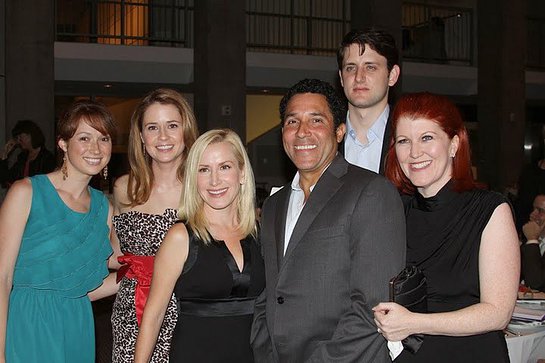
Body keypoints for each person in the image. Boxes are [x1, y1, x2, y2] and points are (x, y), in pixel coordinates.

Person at [251, 78, 406, 362]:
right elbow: (269, 294)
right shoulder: (273, 206)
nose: (302, 132)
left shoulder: (371, 192)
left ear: (339, 132)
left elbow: (372, 308)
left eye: (316, 120)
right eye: (292, 122)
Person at [373, 92, 520, 362]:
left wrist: (415, 323)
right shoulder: (395, 211)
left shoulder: (490, 209)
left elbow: (498, 313)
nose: (415, 153)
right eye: (404, 141)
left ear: (454, 144)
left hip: (471, 354)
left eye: (427, 138)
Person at [0, 100, 120, 362]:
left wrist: (149, 272)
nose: (95, 149)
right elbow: (2, 277)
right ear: (63, 144)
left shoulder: (104, 208)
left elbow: (94, 282)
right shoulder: (27, 192)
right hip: (27, 321)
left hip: (77, 321)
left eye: (104, 139)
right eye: (84, 138)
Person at [134, 129, 265, 363]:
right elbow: (153, 315)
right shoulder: (181, 237)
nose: (214, 181)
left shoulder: (262, 233)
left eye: (224, 167)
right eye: (204, 170)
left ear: (242, 173)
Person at [111, 88, 199, 362]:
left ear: (186, 130)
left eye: (172, 126)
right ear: (141, 136)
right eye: (152, 127)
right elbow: (118, 260)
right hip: (130, 317)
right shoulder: (125, 189)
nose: (163, 137)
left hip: (188, 317)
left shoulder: (204, 188)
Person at [337, 28, 401, 174]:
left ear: (392, 75)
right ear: (341, 78)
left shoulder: (410, 137)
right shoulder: (325, 137)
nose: (359, 77)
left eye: (370, 67)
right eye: (350, 68)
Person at [0, 119, 56, 188]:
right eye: (17, 138)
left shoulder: (47, 158)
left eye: (20, 137)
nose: (18, 141)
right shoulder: (22, 157)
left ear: (30, 135)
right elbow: (7, 178)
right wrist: (4, 155)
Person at [521, 194, 545, 291]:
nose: (532, 215)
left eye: (540, 211)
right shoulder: (526, 243)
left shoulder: (532, 241)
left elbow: (535, 283)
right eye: (533, 209)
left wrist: (532, 240)